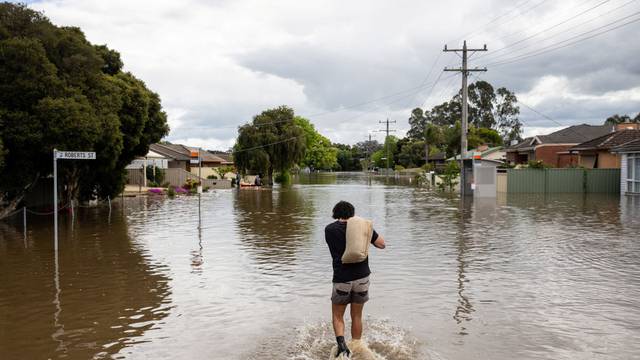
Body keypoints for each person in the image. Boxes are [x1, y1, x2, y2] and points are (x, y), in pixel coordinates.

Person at [325, 201, 386, 358]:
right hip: (362, 278)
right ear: (352, 214)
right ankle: (357, 347)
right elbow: (382, 245)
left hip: (341, 279)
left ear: (335, 213)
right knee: (357, 316)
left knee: (338, 316)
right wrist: (367, 234)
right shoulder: (363, 228)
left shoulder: (330, 229)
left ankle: (342, 347)